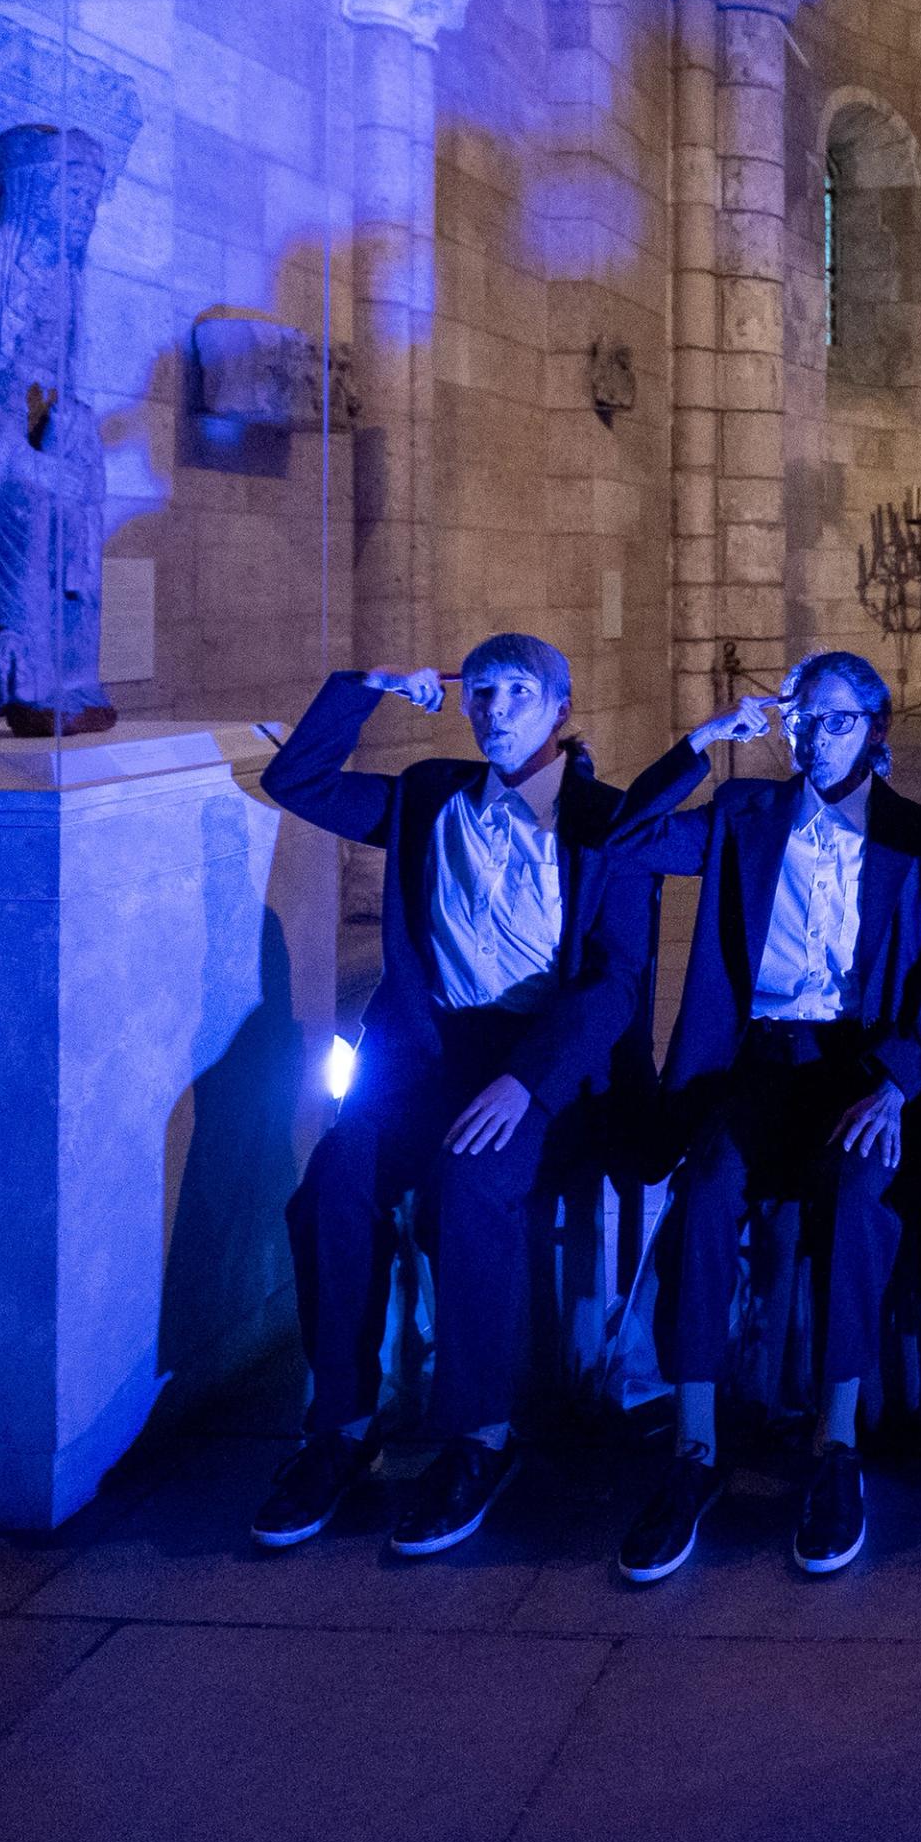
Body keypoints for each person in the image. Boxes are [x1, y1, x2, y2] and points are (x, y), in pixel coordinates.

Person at [249, 636, 667, 1558]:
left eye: (520, 692)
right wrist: (364, 689)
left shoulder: (607, 820)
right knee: (334, 1181)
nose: (497, 708)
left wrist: (528, 1079)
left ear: (559, 707)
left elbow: (616, 982)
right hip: (429, 1055)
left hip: (541, 1065)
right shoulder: (429, 794)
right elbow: (300, 783)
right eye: (482, 691)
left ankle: (479, 1434)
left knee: (470, 1186)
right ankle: (342, 1427)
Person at [610, 653, 921, 1583]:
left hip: (859, 1069)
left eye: (838, 721)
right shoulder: (744, 816)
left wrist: (894, 1084)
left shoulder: (919, 840)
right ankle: (692, 1447)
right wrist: (702, 743)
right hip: (760, 1062)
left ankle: (837, 1441)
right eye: (802, 720)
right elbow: (625, 838)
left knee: (855, 1190)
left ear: (879, 730)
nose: (816, 737)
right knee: (711, 1181)